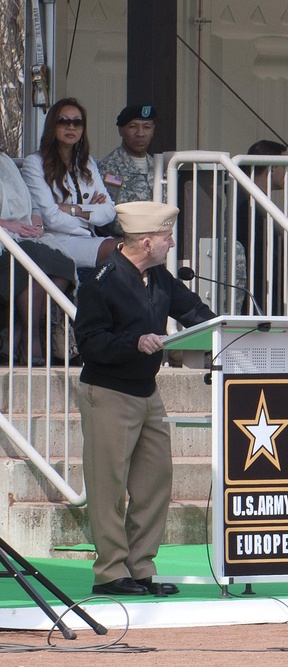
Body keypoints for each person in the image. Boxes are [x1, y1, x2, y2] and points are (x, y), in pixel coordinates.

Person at [74, 201, 216, 596]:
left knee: (155, 481)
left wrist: (228, 330)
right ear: (148, 241)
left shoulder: (159, 277)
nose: (172, 244)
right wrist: (133, 342)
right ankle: (110, 573)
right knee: (108, 486)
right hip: (108, 391)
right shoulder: (99, 282)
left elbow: (195, 312)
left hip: (146, 391)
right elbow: (89, 343)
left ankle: (140, 569)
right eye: (167, 238)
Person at [20, 98, 118, 269]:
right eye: (63, 121)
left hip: (89, 238)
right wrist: (90, 217)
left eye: (77, 122)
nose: (71, 127)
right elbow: (50, 218)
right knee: (125, 250)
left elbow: (109, 211)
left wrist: (74, 209)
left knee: (143, 251)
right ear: (52, 125)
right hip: (58, 241)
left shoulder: (86, 162)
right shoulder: (35, 163)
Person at [0, 152, 76, 365]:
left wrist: (37, 227)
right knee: (32, 264)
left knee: (63, 265)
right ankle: (30, 338)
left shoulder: (6, 162)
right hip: (3, 240)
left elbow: (32, 205)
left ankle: (17, 328)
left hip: (25, 235)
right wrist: (7, 226)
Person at [235, 139, 288, 315]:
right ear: (272, 168)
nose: (285, 172)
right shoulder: (249, 207)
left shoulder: (250, 202)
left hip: (260, 298)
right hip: (255, 299)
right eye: (283, 166)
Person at [98, 104, 158, 237]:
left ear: (153, 130)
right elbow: (114, 221)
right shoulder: (110, 168)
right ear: (121, 130)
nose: (140, 133)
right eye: (133, 126)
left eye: (146, 127)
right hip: (126, 247)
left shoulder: (159, 167)